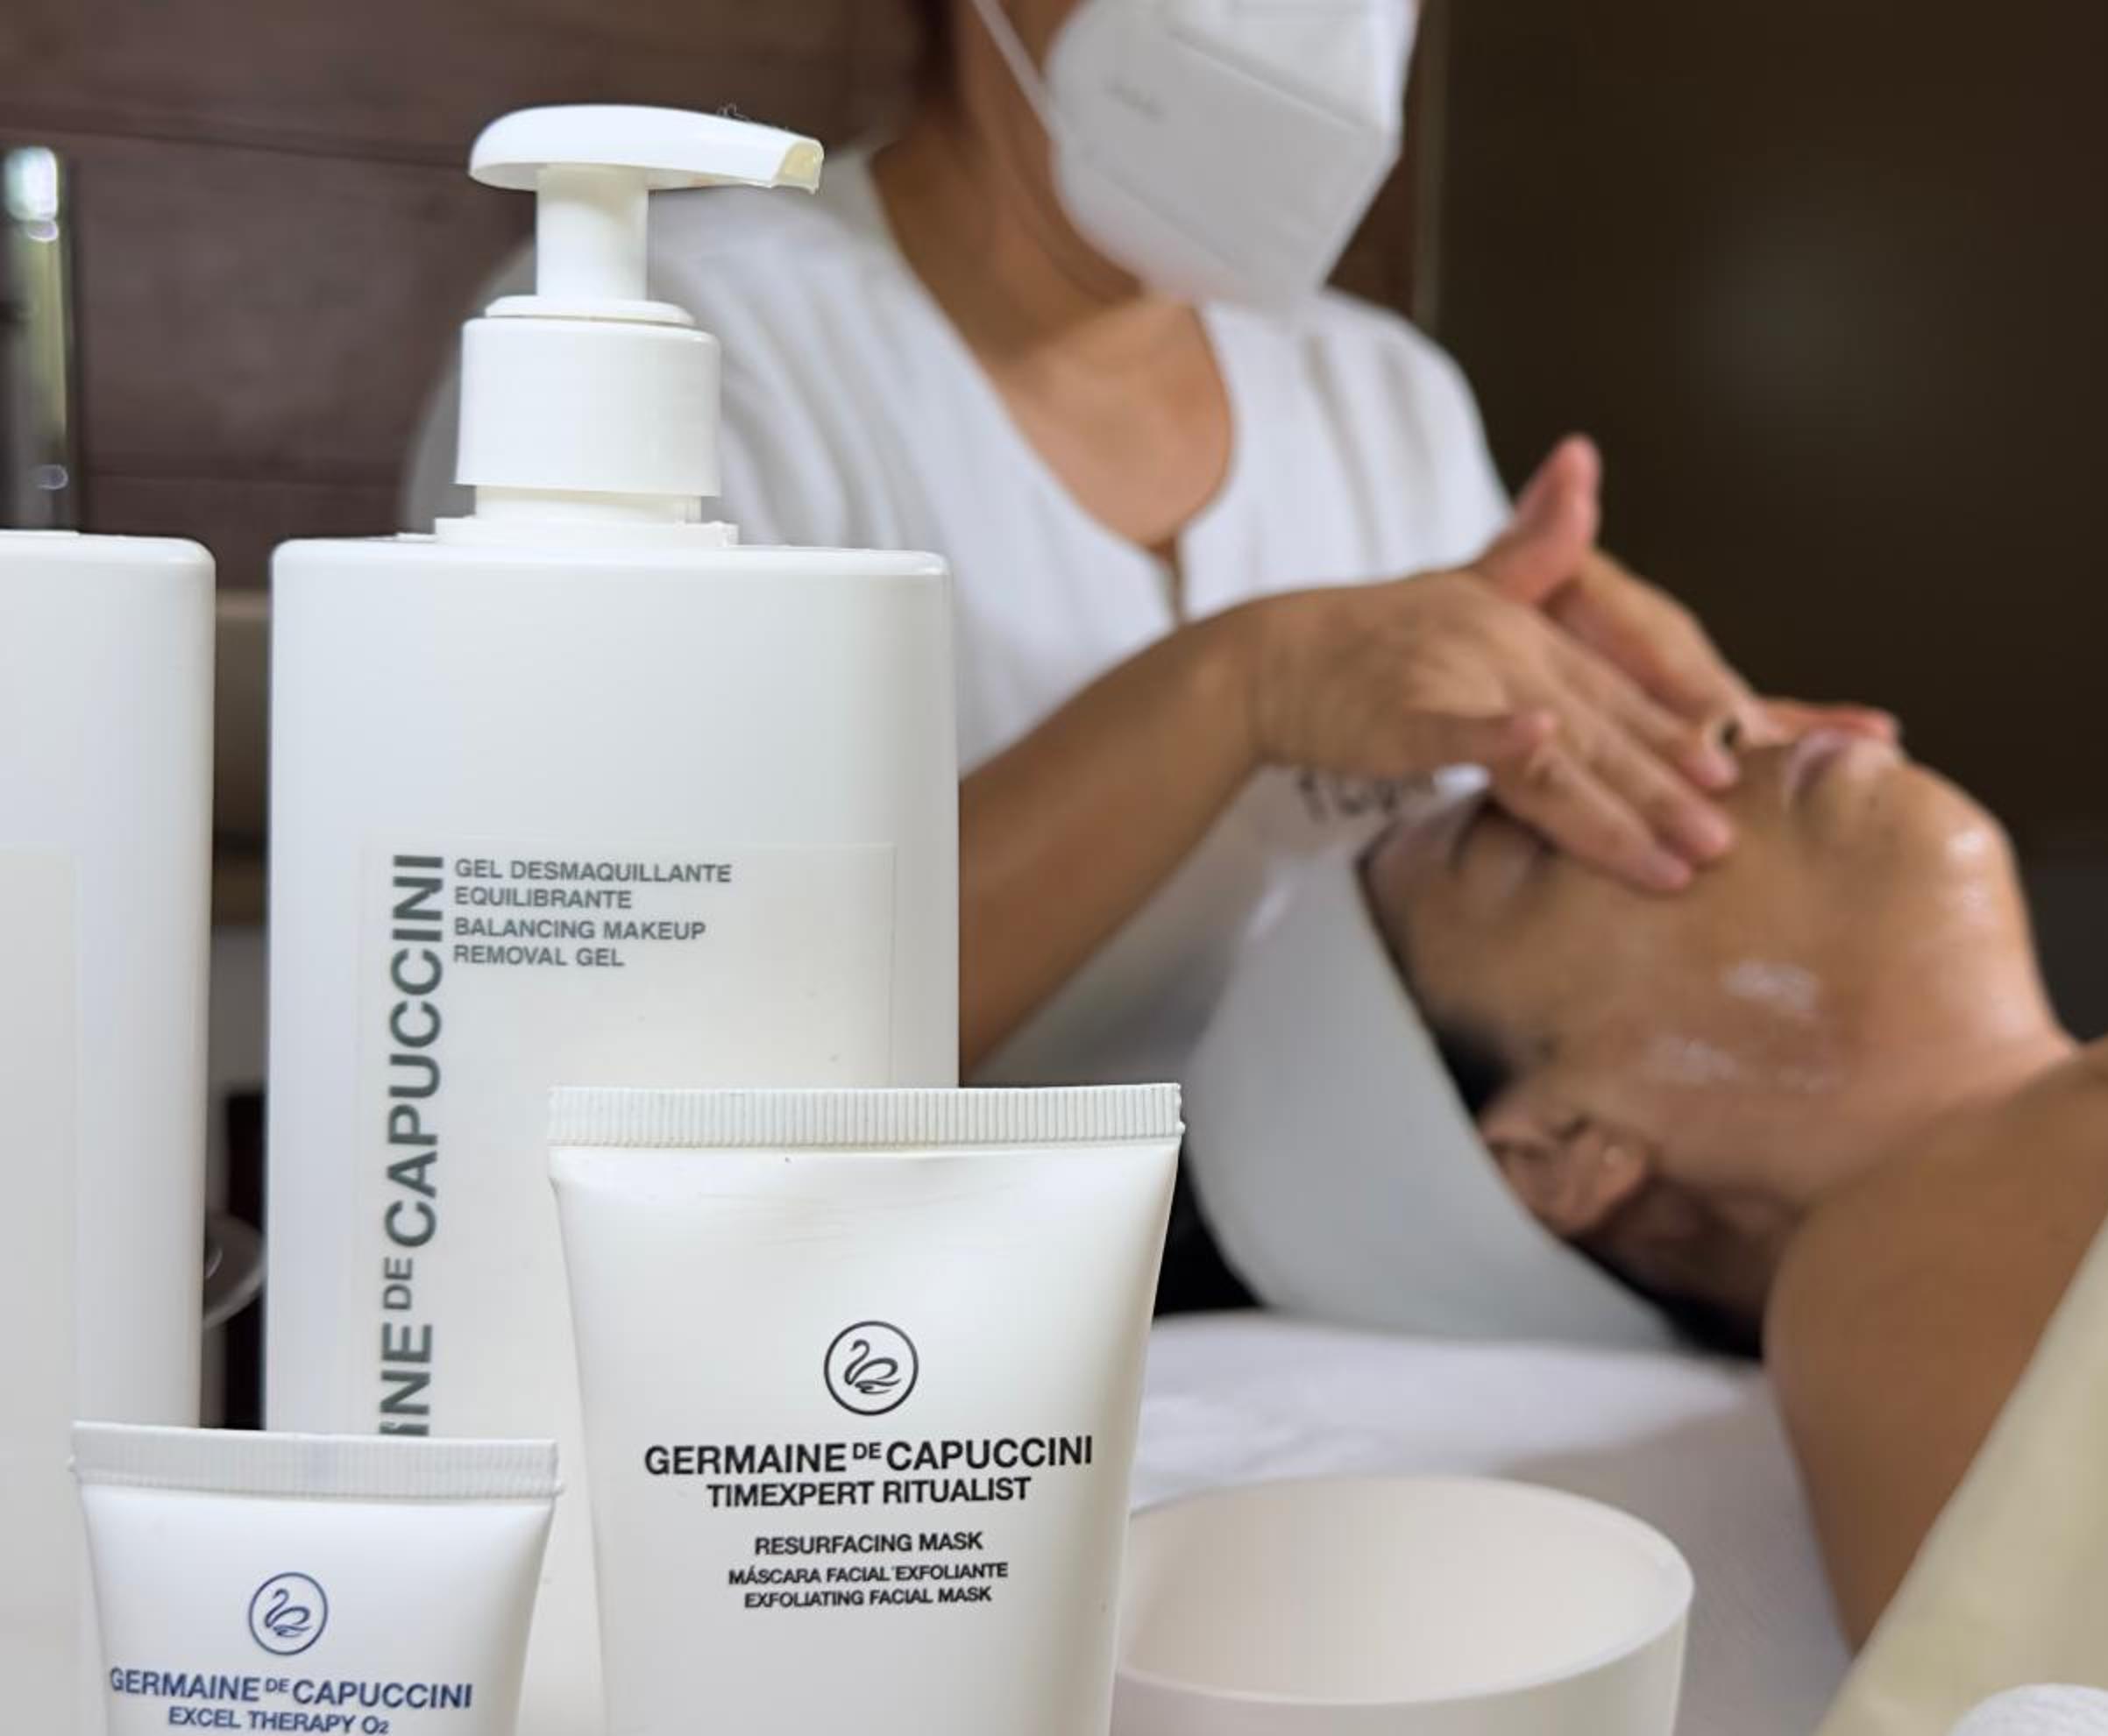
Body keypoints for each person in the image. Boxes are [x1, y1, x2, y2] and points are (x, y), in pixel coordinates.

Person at [406, 0, 1887, 1086]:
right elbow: (652, 1042)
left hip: (1308, 1282)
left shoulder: (1380, 399)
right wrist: (1242, 688)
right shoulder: (685, 342)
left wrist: (1687, 778)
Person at [1352, 730, 2108, 1639]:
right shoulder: (1884, 1284)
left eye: (1680, 727)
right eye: (1537, 838)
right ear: (1560, 1152)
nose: (1705, 749)